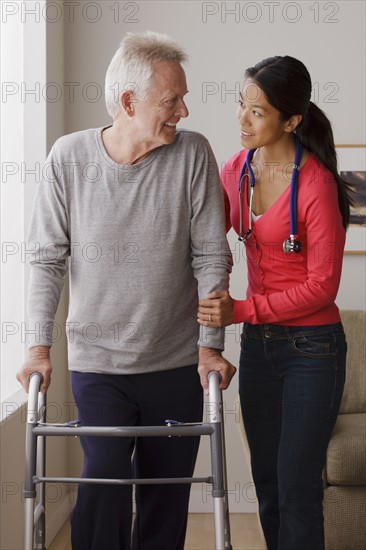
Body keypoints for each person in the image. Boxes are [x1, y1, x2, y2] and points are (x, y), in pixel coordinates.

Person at [17, 31, 235, 550]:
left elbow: (211, 256)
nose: (184, 108)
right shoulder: (68, 158)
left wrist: (211, 347)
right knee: (106, 478)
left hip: (177, 361)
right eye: (172, 99)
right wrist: (39, 349)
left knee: (166, 495)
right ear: (129, 101)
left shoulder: (193, 154)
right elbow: (47, 260)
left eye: (183, 96)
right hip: (99, 363)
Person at [197, 56, 352, 550]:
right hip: (260, 350)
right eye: (241, 104)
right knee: (267, 484)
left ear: (291, 120)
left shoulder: (316, 185)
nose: (242, 119)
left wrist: (241, 309)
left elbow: (321, 287)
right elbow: (202, 245)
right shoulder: (234, 171)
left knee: (297, 488)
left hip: (313, 350)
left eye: (258, 112)